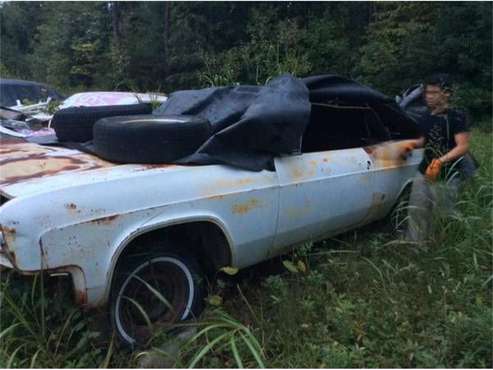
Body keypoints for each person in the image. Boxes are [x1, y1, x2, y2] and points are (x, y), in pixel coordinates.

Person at [405, 73, 474, 243]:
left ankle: (442, 248)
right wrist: (408, 145)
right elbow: (423, 140)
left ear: (447, 93)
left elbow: (463, 146)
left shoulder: (456, 117)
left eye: (434, 92)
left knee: (443, 215)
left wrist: (440, 161)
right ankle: (416, 246)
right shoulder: (425, 117)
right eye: (427, 92)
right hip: (424, 172)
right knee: (417, 209)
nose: (429, 96)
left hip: (447, 174)